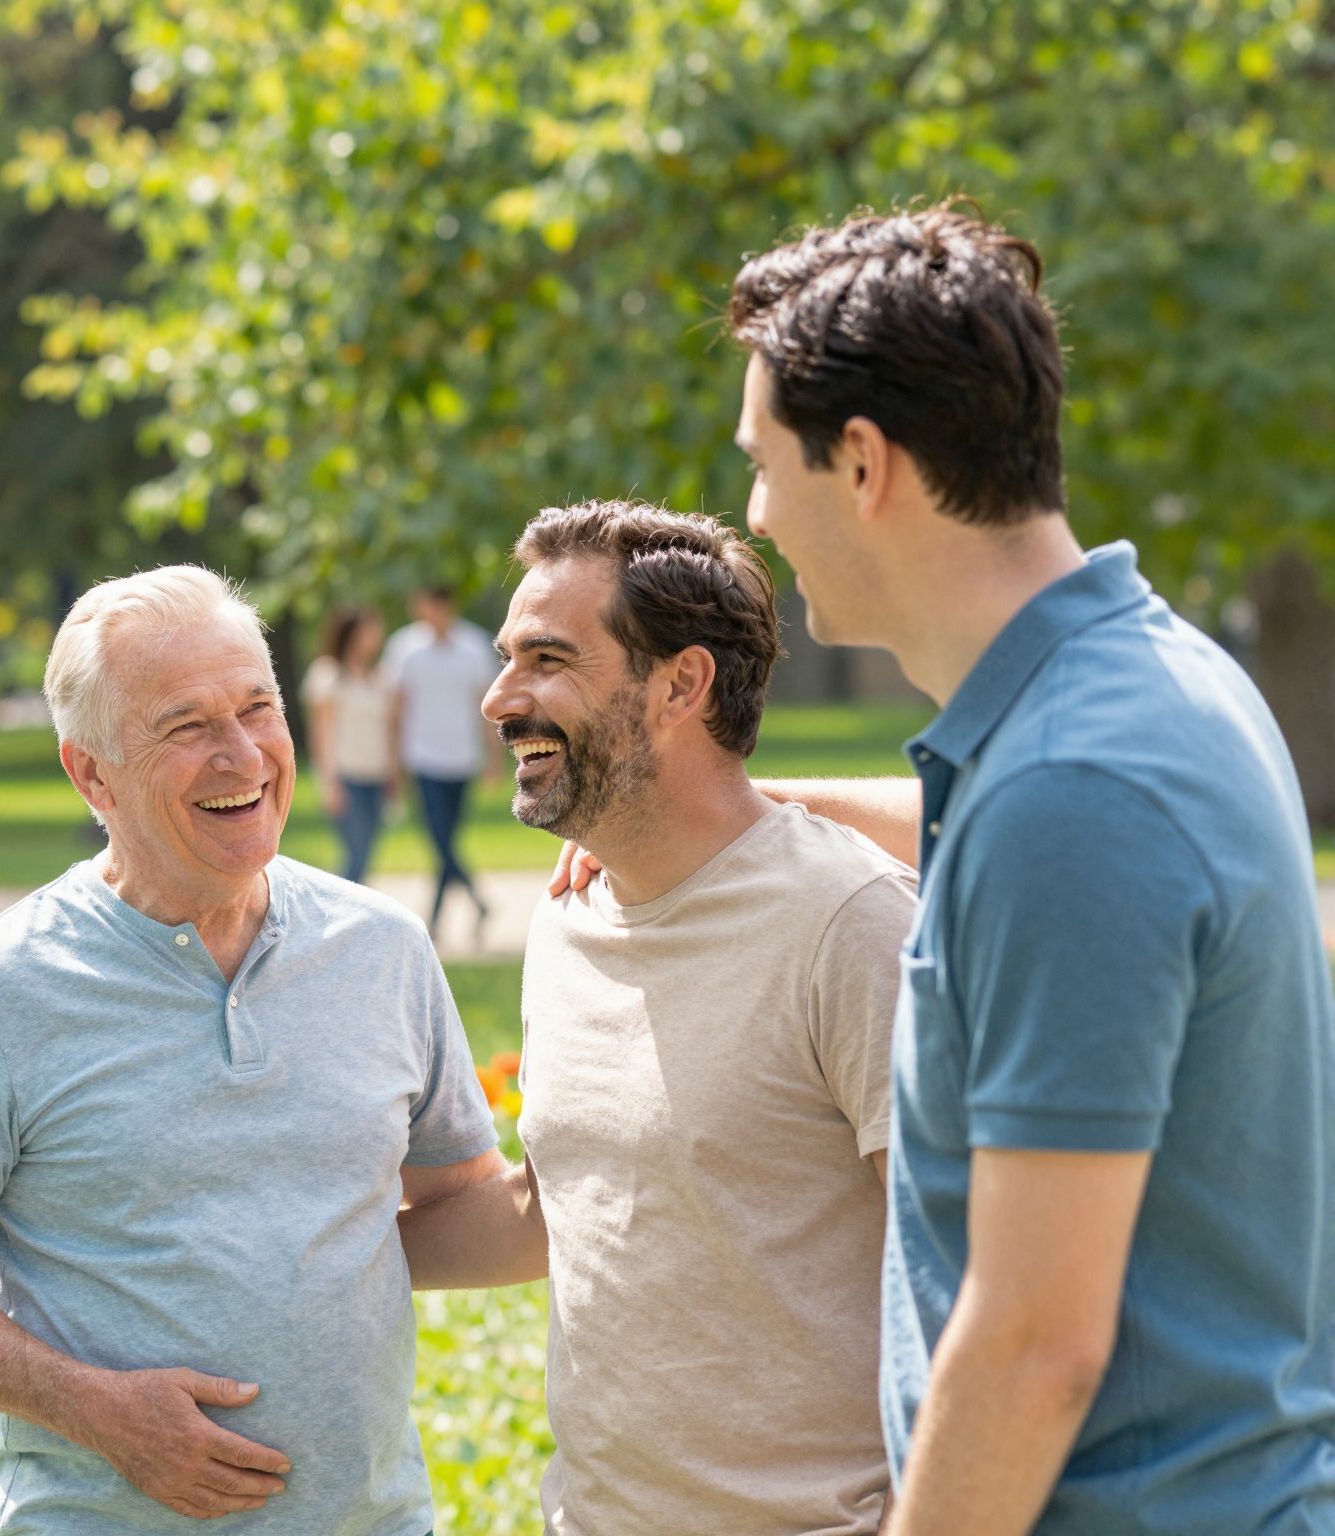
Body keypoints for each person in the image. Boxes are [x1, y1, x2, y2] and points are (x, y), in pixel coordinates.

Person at [728, 205, 1335, 1533]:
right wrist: (754, 805)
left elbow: (1032, 1350)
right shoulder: (1134, 685)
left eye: (763, 464)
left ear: (864, 463)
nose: (756, 513)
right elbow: (1010, 847)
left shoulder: (1072, 793)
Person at [0, 565, 502, 1535]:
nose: (242, 755)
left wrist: (632, 1153)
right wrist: (92, 1410)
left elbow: (457, 1208)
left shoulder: (381, 947)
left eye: (257, 709)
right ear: (90, 774)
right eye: (185, 726)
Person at [401, 502, 915, 1535]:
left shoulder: (851, 923)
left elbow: (970, 1284)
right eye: (506, 660)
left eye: (548, 660)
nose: (500, 698)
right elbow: (559, 1207)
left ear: (681, 685)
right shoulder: (571, 918)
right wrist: (297, 1238)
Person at [385, 586, 501, 936]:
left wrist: (493, 758)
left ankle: (440, 918)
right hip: (423, 758)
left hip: (462, 759)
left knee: (445, 841)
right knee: (441, 839)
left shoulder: (473, 646)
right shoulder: (404, 648)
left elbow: (486, 709)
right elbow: (396, 710)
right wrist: (394, 763)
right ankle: (473, 903)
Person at [303, 604, 399, 882]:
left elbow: (390, 731)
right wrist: (328, 783)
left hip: (376, 776)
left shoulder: (380, 677)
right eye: (370, 630)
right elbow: (321, 733)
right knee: (355, 854)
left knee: (366, 854)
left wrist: (393, 773)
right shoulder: (327, 675)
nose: (376, 636)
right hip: (347, 776)